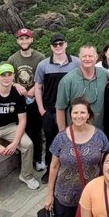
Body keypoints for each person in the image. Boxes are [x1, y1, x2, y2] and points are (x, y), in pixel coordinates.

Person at [45, 98, 109, 217]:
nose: (79, 116)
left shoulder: (100, 137)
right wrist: (49, 194)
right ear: (70, 115)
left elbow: (106, 164)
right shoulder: (61, 138)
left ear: (89, 115)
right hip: (65, 194)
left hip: (92, 196)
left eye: (82, 112)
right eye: (75, 113)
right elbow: (54, 166)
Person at [0, 63, 41, 189]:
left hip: (10, 126)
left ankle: (26, 175)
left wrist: (15, 143)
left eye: (9, 74)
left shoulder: (17, 95)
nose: (6, 78)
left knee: (27, 145)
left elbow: (22, 120)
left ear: (13, 76)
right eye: (3, 75)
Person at [35, 33, 76, 169]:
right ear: (51, 47)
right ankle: (50, 169)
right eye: (55, 44)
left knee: (71, 139)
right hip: (50, 109)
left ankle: (69, 168)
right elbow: (38, 87)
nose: (58, 46)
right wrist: (41, 110)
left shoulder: (76, 62)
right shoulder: (43, 65)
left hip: (70, 110)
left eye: (60, 44)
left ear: (66, 44)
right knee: (51, 141)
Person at [7, 28, 45, 170]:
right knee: (21, 130)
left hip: (36, 99)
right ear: (18, 41)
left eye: (26, 38)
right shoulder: (13, 59)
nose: (24, 41)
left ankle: (38, 159)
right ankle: (23, 161)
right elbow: (8, 78)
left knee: (36, 131)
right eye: (21, 39)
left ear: (31, 40)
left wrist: (34, 89)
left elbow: (43, 77)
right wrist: (16, 84)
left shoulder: (40, 57)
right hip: (19, 101)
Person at [56, 45, 109, 131]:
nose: (87, 59)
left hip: (99, 131)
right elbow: (60, 108)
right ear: (79, 58)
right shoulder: (67, 80)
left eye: (90, 56)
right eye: (84, 56)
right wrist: (62, 133)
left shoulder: (104, 75)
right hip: (75, 132)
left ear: (96, 57)